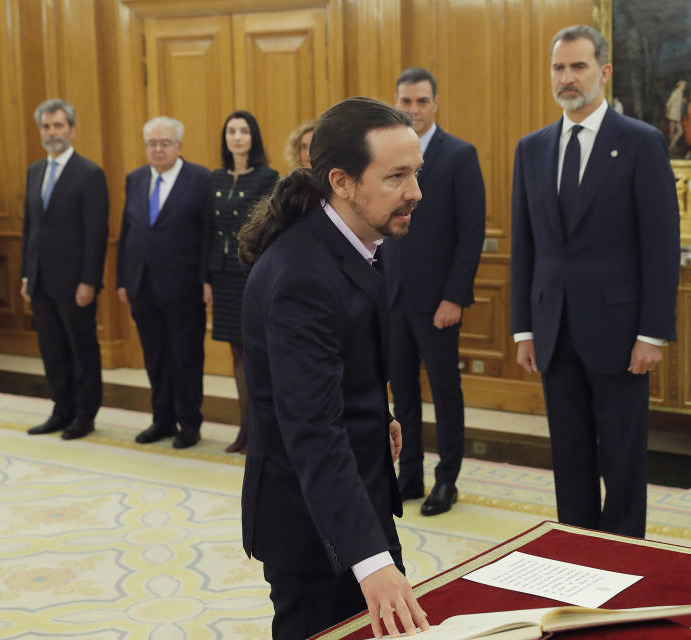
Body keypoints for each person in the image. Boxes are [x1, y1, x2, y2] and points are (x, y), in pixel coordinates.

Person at [238, 97, 429, 640]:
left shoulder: (358, 239)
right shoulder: (302, 275)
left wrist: (375, 415)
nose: (415, 192)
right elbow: (313, 432)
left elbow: (339, 367)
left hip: (352, 497)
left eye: (416, 173)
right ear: (341, 182)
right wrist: (371, 562)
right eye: (396, 177)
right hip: (312, 531)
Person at [510, 25, 680, 538]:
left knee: (623, 458)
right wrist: (523, 328)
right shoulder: (531, 148)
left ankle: (626, 555)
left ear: (603, 72)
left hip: (621, 333)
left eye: (578, 67)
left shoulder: (640, 143)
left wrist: (653, 333)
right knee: (569, 456)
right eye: (559, 68)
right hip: (553, 330)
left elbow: (660, 247)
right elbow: (526, 245)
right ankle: (578, 550)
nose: (567, 78)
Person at [382, 67, 486, 516]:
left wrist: (454, 297)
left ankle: (448, 480)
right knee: (401, 392)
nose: (414, 110)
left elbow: (471, 233)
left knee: (445, 392)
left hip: (438, 300)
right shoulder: (382, 156)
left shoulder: (459, 155)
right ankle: (410, 475)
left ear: (435, 103)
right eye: (406, 102)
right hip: (391, 298)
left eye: (422, 101)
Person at [117, 117, 211, 449]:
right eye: (152, 143)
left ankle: (189, 422)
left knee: (185, 357)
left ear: (179, 146)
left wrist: (205, 279)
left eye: (165, 143)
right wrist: (122, 279)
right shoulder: (136, 178)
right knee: (155, 356)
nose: (158, 149)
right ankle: (162, 419)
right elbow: (127, 232)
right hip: (142, 285)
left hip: (184, 287)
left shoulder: (200, 179)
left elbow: (207, 236)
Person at [21, 98, 109, 440]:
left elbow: (96, 233)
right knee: (52, 349)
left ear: (72, 130)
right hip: (40, 280)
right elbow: (30, 228)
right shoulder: (34, 171)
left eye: (58, 125)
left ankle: (85, 415)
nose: (52, 132)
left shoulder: (89, 173)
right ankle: (61, 409)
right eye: (46, 126)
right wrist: (26, 276)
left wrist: (90, 280)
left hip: (75, 283)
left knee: (81, 348)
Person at [201, 111, 279, 454]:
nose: (237, 137)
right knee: (236, 353)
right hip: (223, 277)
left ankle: (261, 431)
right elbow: (208, 230)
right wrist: (205, 278)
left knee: (257, 353)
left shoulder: (267, 177)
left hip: (252, 273)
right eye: (231, 130)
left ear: (253, 137)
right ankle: (244, 430)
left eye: (243, 131)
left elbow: (269, 229)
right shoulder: (215, 178)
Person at [665, 79, 686, 153]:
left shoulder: (680, 92)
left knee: (673, 132)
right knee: (679, 131)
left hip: (675, 114)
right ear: (680, 86)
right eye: (684, 86)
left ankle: (672, 147)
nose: (684, 87)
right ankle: (671, 147)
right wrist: (667, 113)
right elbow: (668, 103)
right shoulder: (676, 92)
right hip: (674, 114)